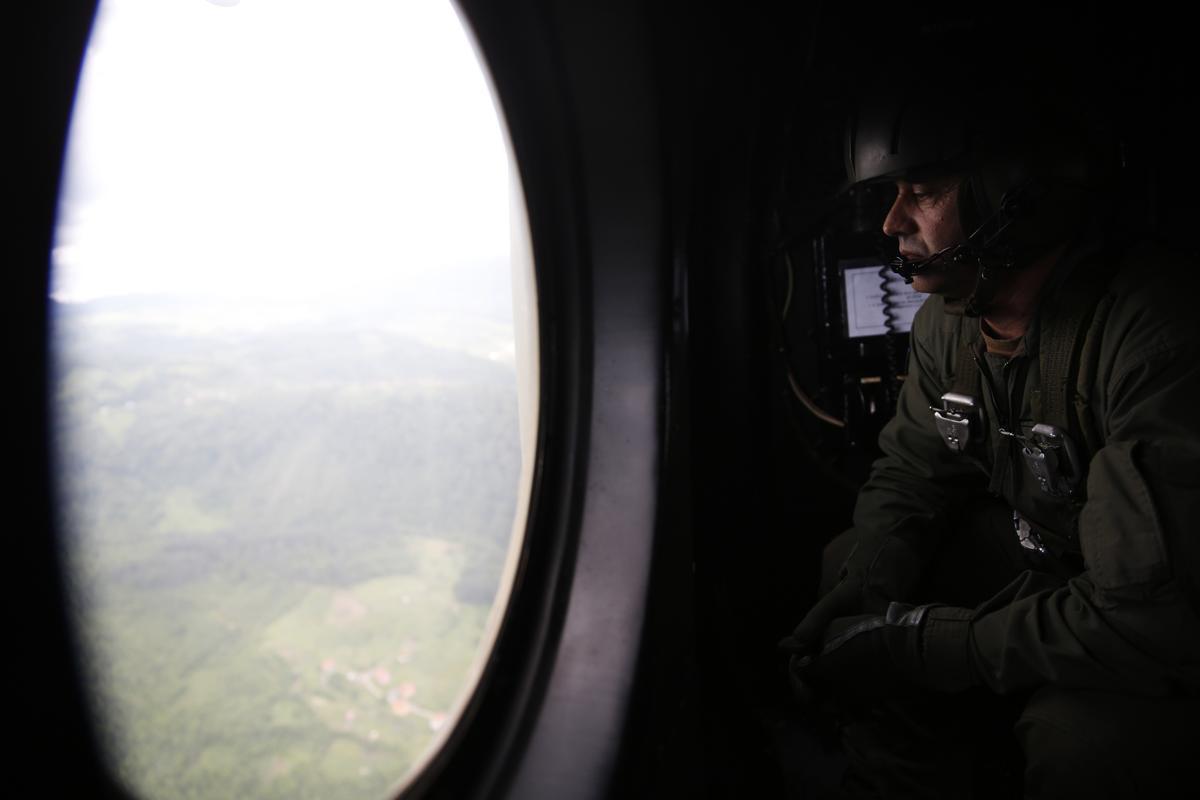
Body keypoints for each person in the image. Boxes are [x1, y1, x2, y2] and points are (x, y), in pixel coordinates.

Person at [778, 44, 1200, 798]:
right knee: (851, 572)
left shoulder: (1155, 335)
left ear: (1016, 194)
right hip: (1057, 566)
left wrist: (927, 646)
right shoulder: (950, 326)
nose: (892, 223)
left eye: (925, 190)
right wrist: (871, 576)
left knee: (1089, 751)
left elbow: (1154, 618)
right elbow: (913, 469)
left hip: (1152, 619)